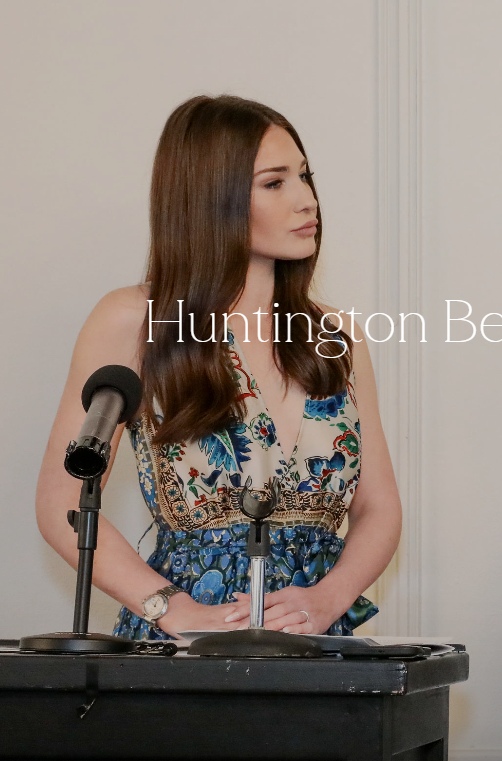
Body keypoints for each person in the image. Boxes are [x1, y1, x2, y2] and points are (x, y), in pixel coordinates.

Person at [34, 95, 400, 640]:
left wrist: (328, 598)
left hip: (317, 652)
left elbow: (380, 508)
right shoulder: (134, 320)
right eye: (275, 183)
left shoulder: (336, 336)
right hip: (183, 655)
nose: (307, 200)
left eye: (305, 177)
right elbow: (62, 502)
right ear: (210, 198)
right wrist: (169, 608)